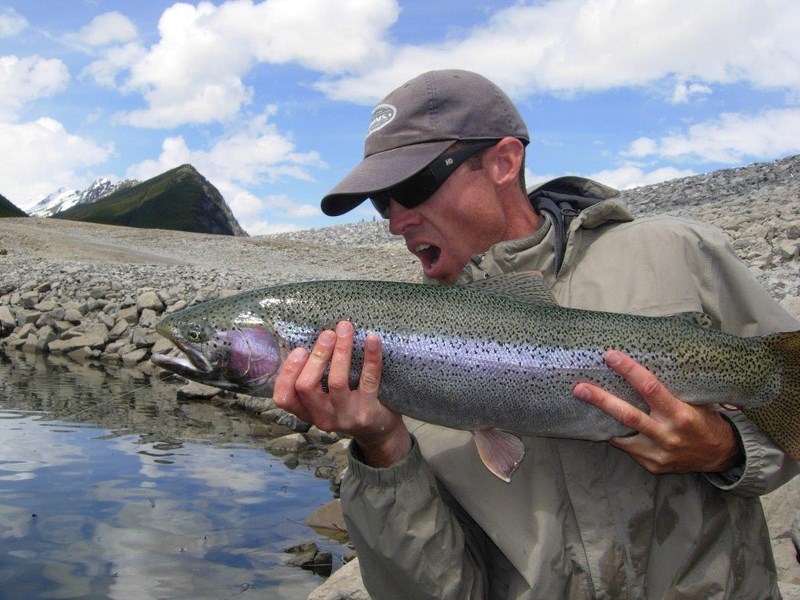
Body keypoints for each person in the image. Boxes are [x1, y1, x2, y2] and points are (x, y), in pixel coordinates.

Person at [273, 69, 800, 599]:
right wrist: (382, 447)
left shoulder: (676, 253)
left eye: (413, 186)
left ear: (503, 161)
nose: (396, 222)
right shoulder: (389, 361)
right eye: (383, 202)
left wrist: (729, 450)